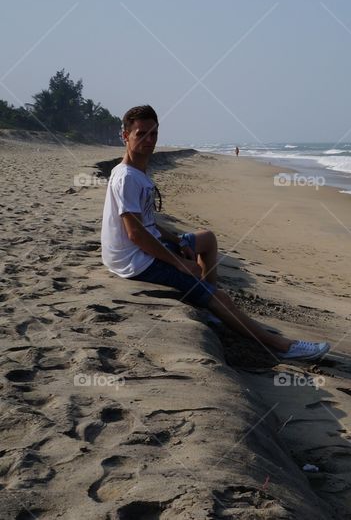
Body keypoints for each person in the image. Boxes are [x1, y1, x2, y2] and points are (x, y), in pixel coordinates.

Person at [100, 105, 329, 361]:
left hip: (142, 248)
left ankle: (209, 305)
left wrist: (177, 241)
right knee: (216, 294)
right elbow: (136, 235)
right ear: (125, 136)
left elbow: (147, 225)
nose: (149, 140)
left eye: (153, 134)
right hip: (135, 261)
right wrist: (181, 264)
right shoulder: (127, 178)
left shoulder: (137, 172)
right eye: (141, 134)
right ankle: (282, 346)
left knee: (206, 239)